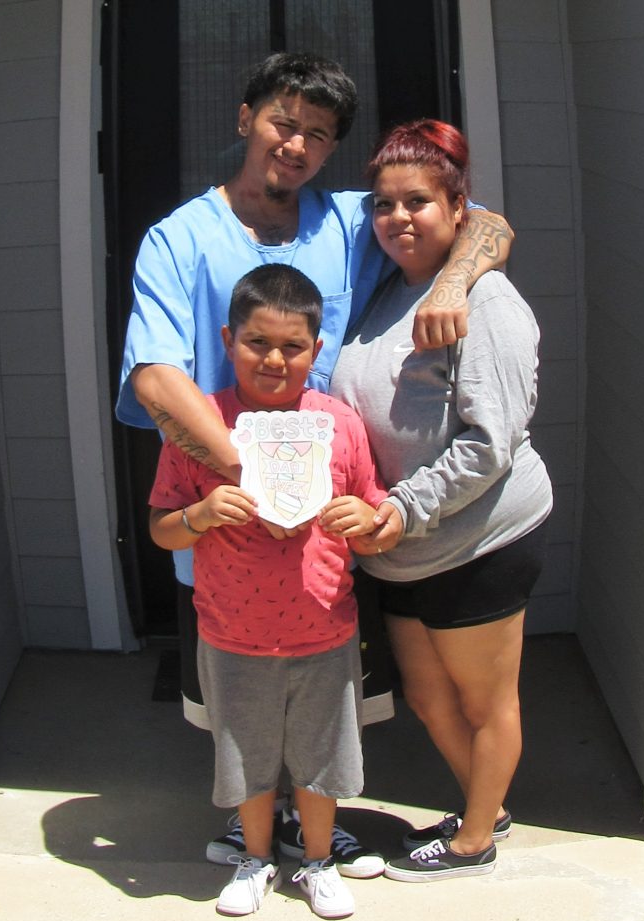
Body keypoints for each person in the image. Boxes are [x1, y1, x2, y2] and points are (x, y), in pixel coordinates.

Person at [116, 51, 513, 874]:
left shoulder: (345, 222)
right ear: (245, 119)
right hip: (227, 522)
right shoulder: (180, 238)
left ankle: (310, 825)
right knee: (238, 686)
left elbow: (484, 223)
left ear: (331, 151)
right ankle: (252, 824)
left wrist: (451, 287)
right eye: (282, 122)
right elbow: (155, 374)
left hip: (326, 528)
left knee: (323, 676)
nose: (295, 144)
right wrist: (248, 474)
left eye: (318, 135)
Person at [328, 119, 553, 882]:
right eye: (384, 205)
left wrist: (400, 507)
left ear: (459, 208)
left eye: (416, 202)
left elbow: (489, 443)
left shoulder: (486, 301)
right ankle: (486, 804)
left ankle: (474, 840)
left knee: (487, 702)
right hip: (403, 545)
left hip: (477, 537)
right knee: (426, 697)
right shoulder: (391, 285)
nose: (397, 218)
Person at [149, 265, 389, 918]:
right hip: (233, 633)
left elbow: (373, 516)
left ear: (318, 347)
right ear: (228, 339)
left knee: (320, 759)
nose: (275, 359)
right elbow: (161, 527)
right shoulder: (203, 426)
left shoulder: (339, 423)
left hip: (325, 631)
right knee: (249, 759)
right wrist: (200, 514)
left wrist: (365, 523)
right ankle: (256, 856)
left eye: (293, 346)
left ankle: (316, 860)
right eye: (257, 343)